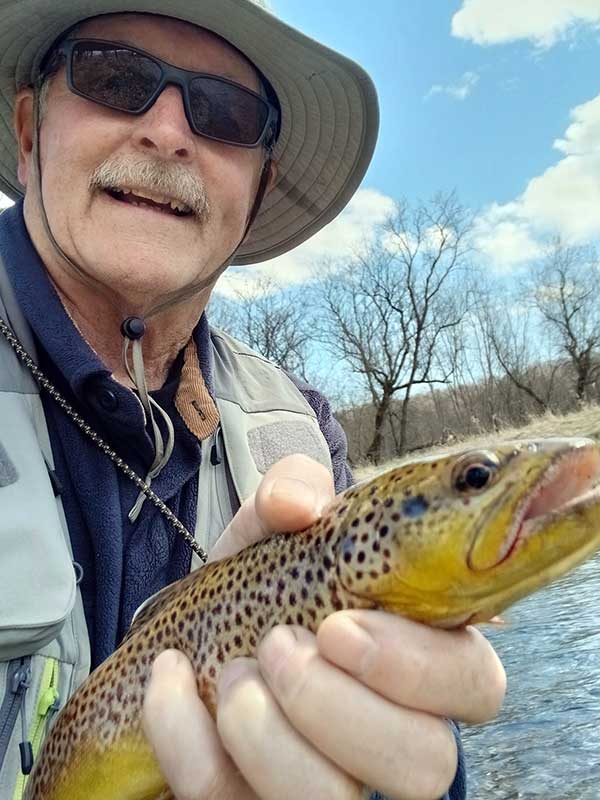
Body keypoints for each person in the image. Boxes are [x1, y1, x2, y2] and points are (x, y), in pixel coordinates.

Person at [0, 1, 506, 798]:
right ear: (30, 134)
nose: (168, 132)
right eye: (116, 78)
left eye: (226, 112)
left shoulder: (303, 430)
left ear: (259, 191)